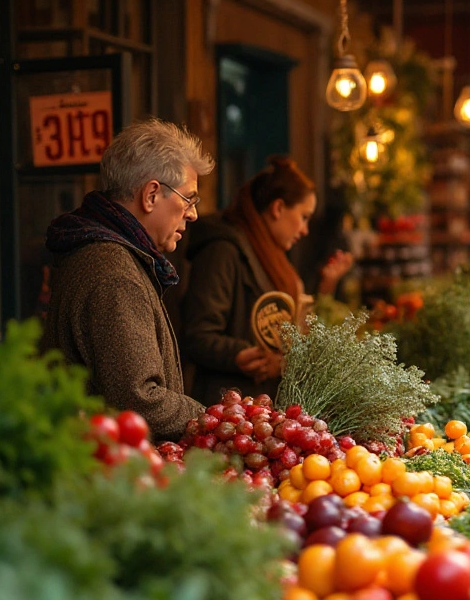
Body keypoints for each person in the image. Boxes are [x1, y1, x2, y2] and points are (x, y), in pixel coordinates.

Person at [41, 118, 209, 440]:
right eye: (189, 198)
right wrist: (211, 417)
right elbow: (141, 402)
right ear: (151, 195)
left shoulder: (109, 256)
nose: (192, 213)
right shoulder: (114, 274)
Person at [182, 157, 352, 405]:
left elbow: (292, 327)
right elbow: (197, 335)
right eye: (303, 217)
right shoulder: (222, 251)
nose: (305, 230)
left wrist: (326, 286)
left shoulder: (270, 254)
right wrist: (241, 355)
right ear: (278, 208)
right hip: (227, 411)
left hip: (262, 408)